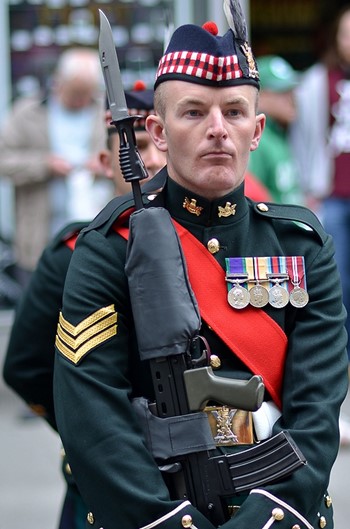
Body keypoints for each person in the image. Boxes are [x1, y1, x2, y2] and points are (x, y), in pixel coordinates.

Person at [53, 3, 348, 529]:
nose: (218, 129)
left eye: (233, 112)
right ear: (157, 133)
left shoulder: (301, 244)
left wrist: (263, 519)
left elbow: (318, 409)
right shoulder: (108, 246)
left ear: (256, 130)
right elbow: (93, 412)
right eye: (193, 112)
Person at [2, 83, 166, 529]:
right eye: (136, 145)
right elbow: (24, 366)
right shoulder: (74, 253)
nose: (149, 160)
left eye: (159, 143)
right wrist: (90, 426)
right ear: (101, 161)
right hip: (103, 484)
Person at [0, 47, 112, 289]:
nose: (81, 100)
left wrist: (104, 165)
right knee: (39, 314)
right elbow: (3, 160)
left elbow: (131, 160)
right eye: (75, 93)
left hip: (93, 235)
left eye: (87, 93)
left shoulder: (104, 114)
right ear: (58, 82)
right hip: (39, 238)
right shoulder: (27, 112)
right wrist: (44, 165)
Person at [291, 5, 350, 366]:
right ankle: (338, 363)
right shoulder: (317, 81)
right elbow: (304, 142)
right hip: (334, 198)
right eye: (346, 35)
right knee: (337, 285)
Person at [248, 55, 303, 205]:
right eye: (282, 92)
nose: (292, 99)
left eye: (292, 91)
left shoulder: (279, 134)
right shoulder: (255, 139)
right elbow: (251, 197)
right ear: (260, 95)